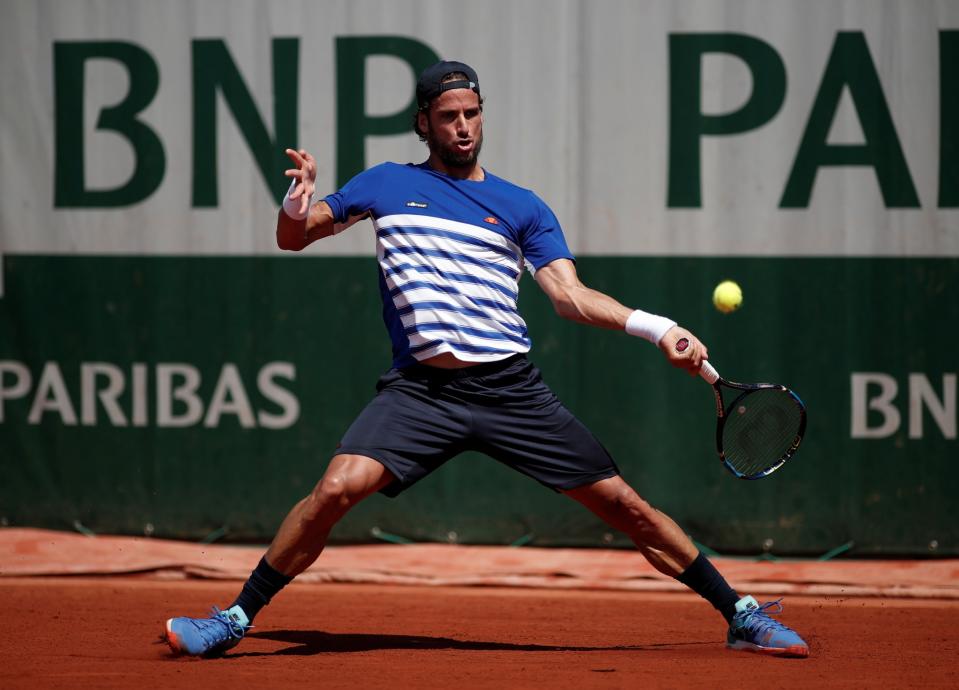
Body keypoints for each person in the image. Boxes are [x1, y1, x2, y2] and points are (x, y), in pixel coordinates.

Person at [164, 60, 809, 658]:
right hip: (420, 393)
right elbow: (293, 239)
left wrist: (657, 327)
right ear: (424, 122)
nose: (463, 127)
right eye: (449, 116)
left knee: (627, 507)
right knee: (333, 490)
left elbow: (570, 296)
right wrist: (296, 201)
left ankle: (741, 614)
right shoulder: (386, 183)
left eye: (472, 114)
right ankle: (235, 619)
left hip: (510, 392)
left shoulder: (522, 207)